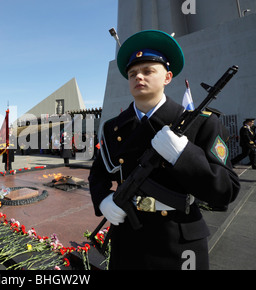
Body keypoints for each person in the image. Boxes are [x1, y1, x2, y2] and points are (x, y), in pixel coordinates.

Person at [88, 30, 240, 270]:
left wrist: (184, 155)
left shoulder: (201, 123)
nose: (139, 77)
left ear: (167, 77)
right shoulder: (112, 128)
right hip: (128, 236)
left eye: (148, 71)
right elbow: (98, 174)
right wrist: (103, 199)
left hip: (178, 240)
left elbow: (225, 191)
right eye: (132, 73)